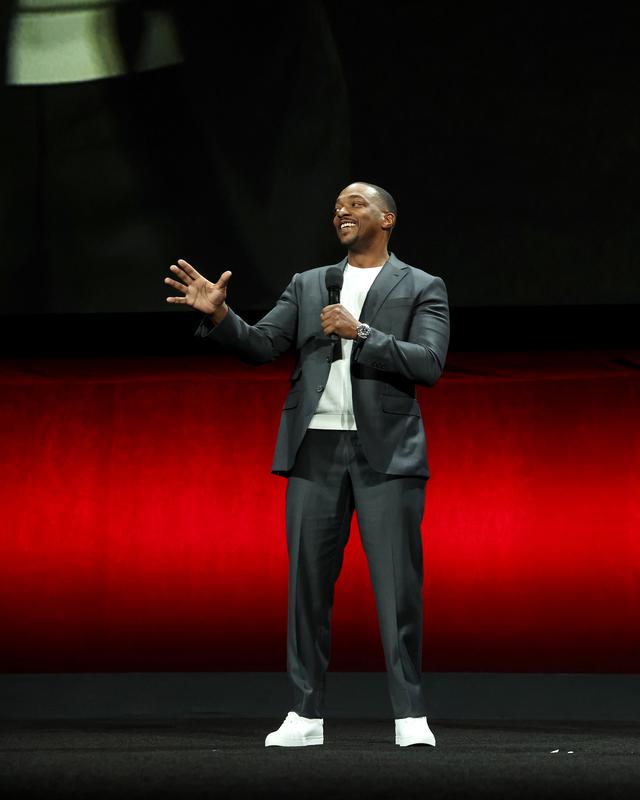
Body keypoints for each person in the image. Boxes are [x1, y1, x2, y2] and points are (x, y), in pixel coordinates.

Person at [164, 181, 450, 747]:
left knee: (397, 590)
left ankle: (410, 715)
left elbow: (430, 362)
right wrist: (221, 317)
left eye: (356, 204)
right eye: (337, 206)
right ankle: (304, 714)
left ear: (387, 218)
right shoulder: (309, 283)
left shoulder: (422, 286)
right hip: (314, 448)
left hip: (387, 453)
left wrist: (361, 332)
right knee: (307, 588)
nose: (342, 211)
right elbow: (264, 344)